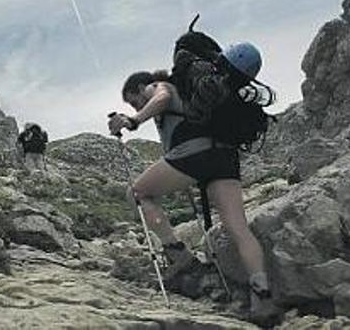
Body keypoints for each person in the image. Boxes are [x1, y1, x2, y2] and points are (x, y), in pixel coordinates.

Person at [108, 44, 278, 326]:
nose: (135, 105)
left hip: (195, 154)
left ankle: (180, 256)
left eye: (133, 100)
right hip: (225, 155)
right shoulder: (193, 93)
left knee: (137, 194)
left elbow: (160, 97)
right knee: (238, 228)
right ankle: (263, 296)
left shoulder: (157, 86)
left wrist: (133, 120)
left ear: (140, 87)